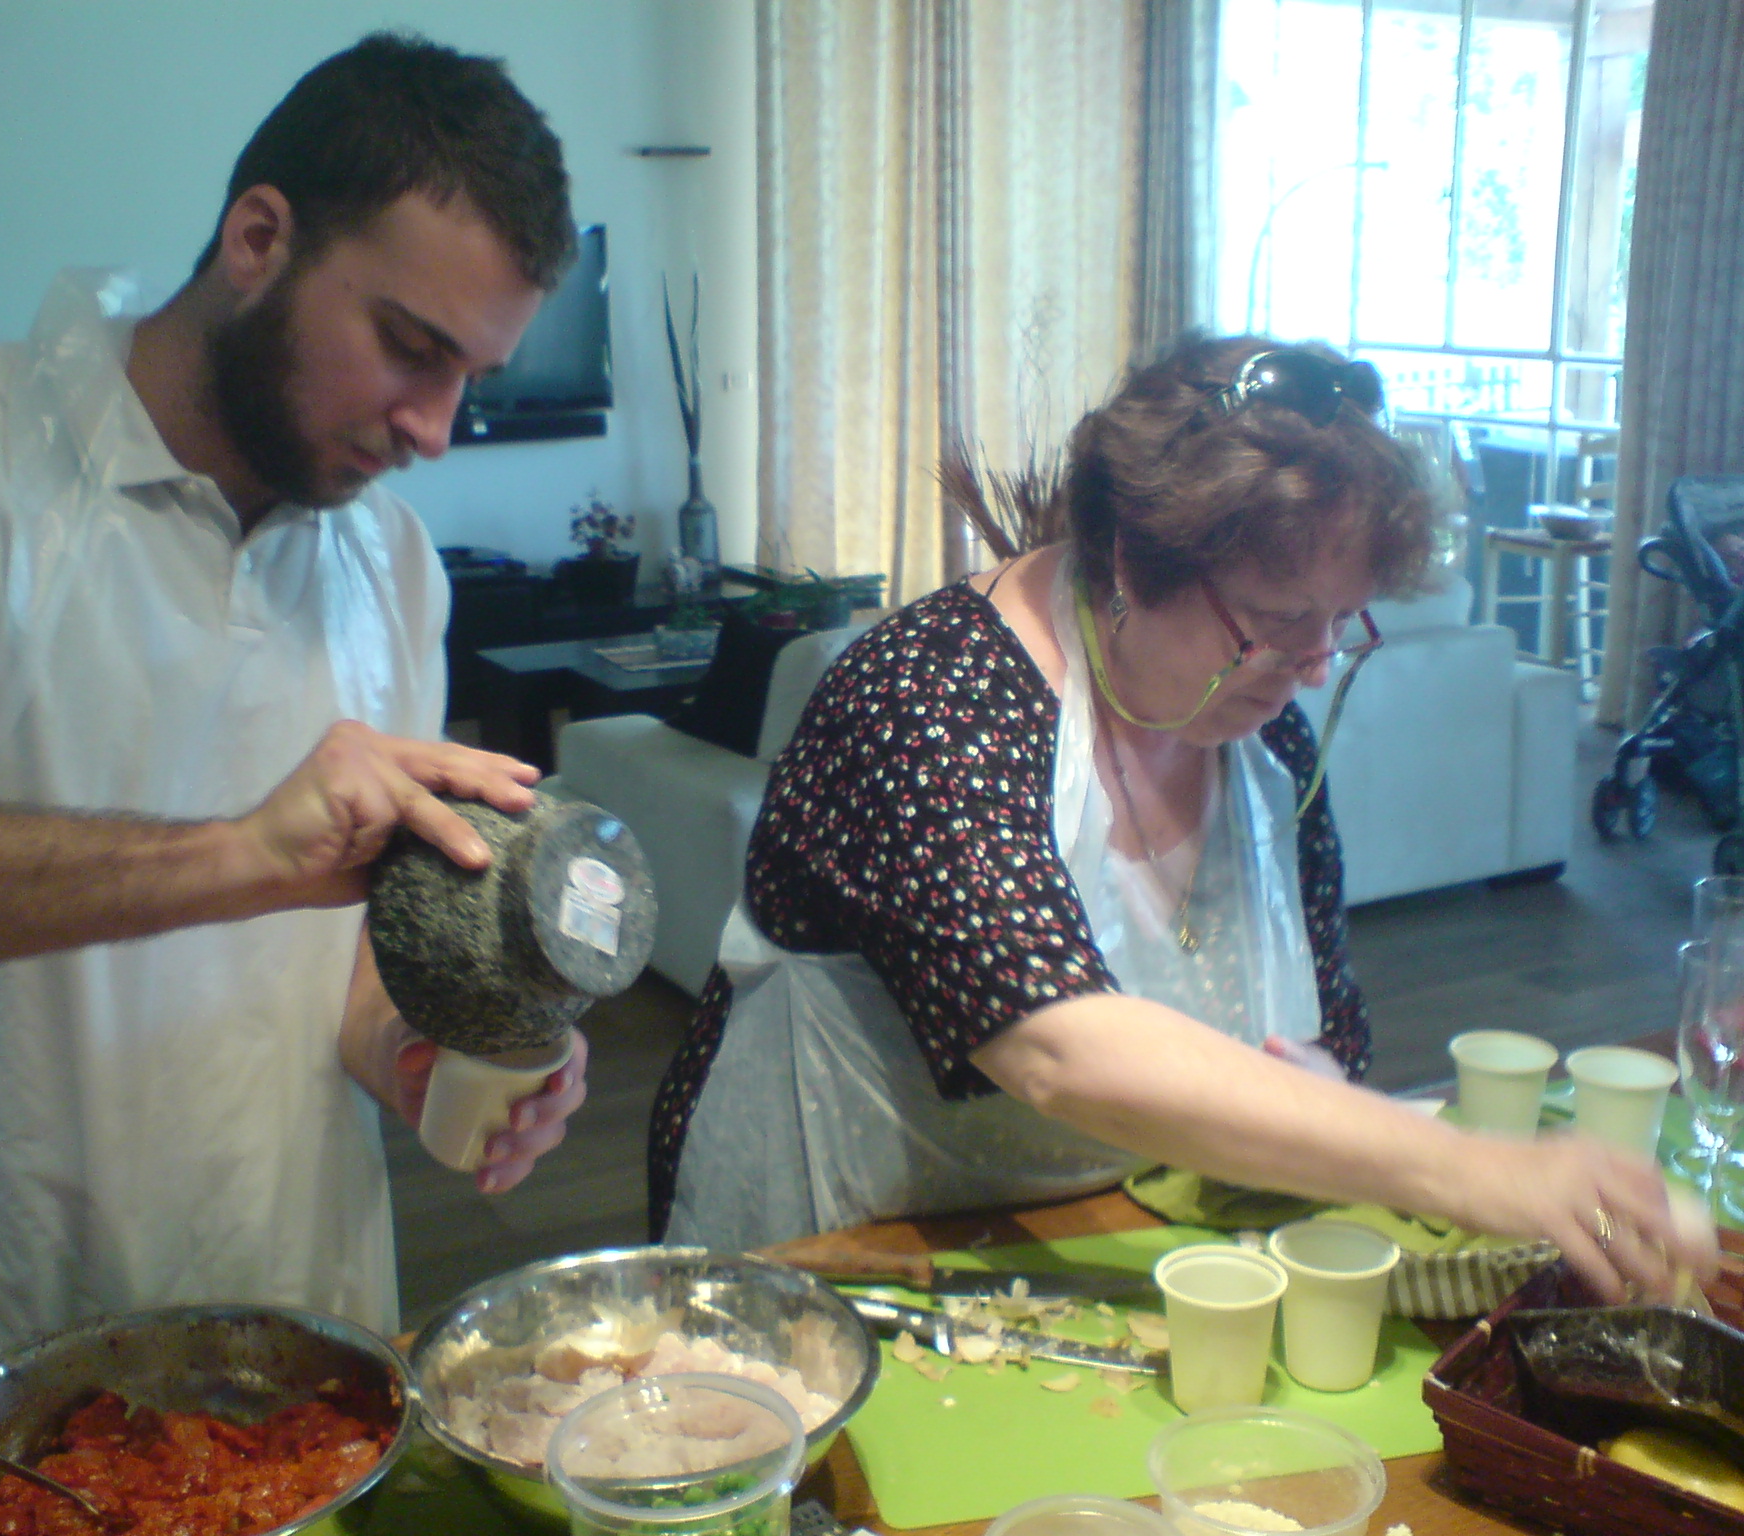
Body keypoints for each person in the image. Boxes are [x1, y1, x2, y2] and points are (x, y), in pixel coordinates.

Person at [0, 32, 589, 1447]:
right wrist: (238, 856)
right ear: (257, 239)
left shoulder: (394, 566)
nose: (436, 428)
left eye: (470, 376)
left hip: (300, 1381)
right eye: (410, 348)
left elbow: (353, 958)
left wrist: (415, 1048)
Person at [649, 334, 1713, 1303]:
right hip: (834, 1250)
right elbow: (1059, 1046)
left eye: (1339, 621)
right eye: (1278, 619)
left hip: (1108, 1241)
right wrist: (1468, 1166)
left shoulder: (1261, 736)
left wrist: (1328, 1092)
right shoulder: (929, 696)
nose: (1313, 667)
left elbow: (1320, 1036)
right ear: (1129, 562)